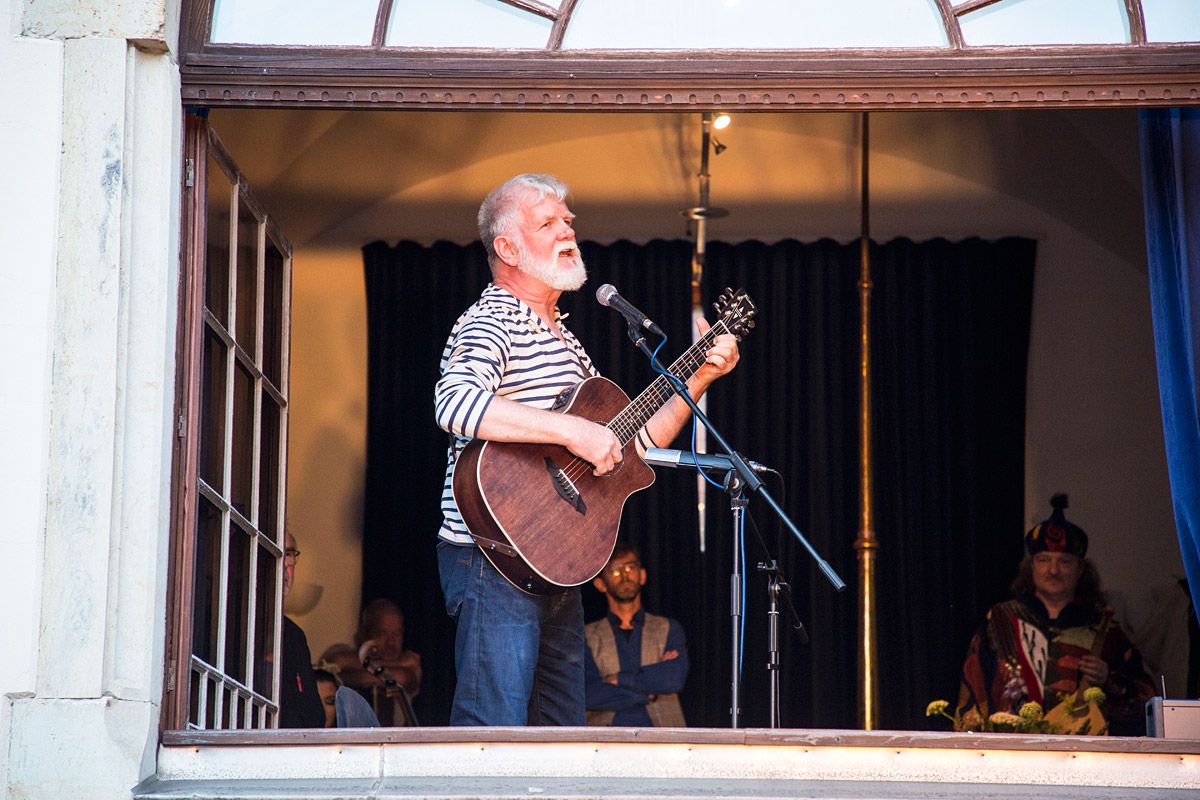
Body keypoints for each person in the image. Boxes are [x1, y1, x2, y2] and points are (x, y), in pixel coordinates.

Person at [434, 173, 739, 726]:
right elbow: (455, 404)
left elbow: (632, 444)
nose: (567, 229)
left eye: (567, 219)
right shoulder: (493, 320)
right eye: (547, 222)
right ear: (508, 248)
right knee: (493, 729)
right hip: (493, 556)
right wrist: (573, 432)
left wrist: (697, 376)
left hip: (557, 558)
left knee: (562, 734)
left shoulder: (564, 339)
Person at [955, 495, 1155, 735]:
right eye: (1043, 560)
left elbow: (1146, 699)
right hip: (1010, 750)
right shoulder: (1001, 620)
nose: (1053, 570)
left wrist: (1108, 679)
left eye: (1065, 562)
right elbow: (974, 685)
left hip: (1081, 757)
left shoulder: (1102, 628)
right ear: (1032, 567)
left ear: (1081, 569)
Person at [584, 544, 688, 726]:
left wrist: (617, 679)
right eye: (615, 571)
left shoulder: (667, 628)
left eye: (631, 567)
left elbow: (673, 679)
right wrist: (649, 690)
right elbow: (588, 693)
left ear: (642, 575)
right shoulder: (587, 635)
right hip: (603, 739)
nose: (625, 575)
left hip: (665, 737)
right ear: (600, 584)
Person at [278, 530, 325, 728]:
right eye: (279, 552)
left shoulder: (294, 635)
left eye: (289, 554)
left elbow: (315, 717)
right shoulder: (223, 624)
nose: (287, 564)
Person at [353, 598, 422, 724]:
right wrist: (398, 664)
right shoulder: (406, 663)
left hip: (395, 741)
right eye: (381, 633)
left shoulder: (411, 665)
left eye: (397, 634)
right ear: (365, 633)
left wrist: (353, 674)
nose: (390, 642)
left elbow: (402, 677)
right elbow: (338, 661)